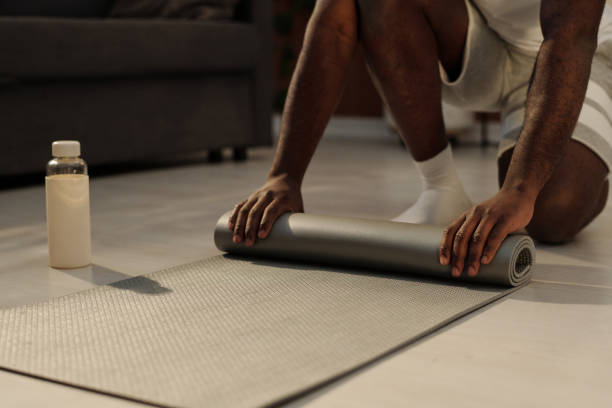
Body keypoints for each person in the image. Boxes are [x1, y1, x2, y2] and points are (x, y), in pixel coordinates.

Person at [228, 0, 612, 278]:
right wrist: (285, 175)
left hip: (583, 51)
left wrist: (521, 188)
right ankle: (439, 186)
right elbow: (335, 20)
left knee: (550, 211)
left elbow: (571, 35)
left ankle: (597, 156)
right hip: (490, 42)